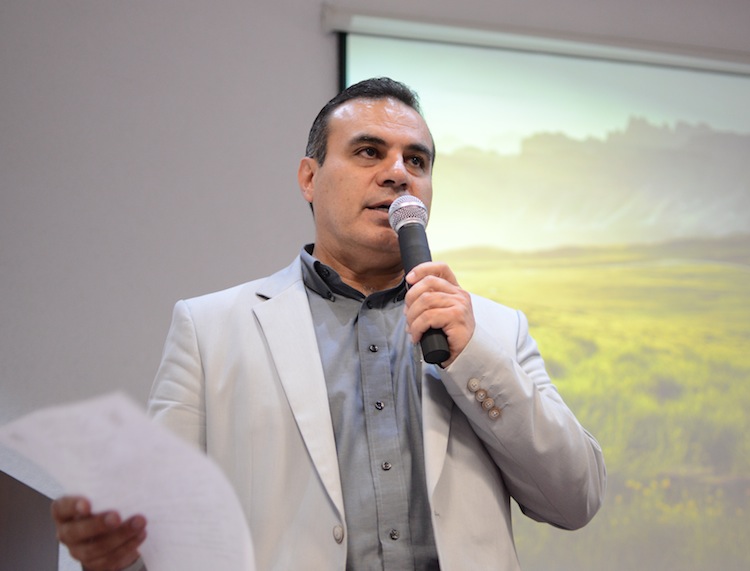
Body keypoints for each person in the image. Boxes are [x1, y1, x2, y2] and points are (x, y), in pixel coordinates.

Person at [52, 77, 606, 571]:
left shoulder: (492, 329)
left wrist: (475, 358)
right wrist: (114, 558)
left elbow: (574, 499)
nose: (398, 174)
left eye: (417, 161)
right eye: (370, 152)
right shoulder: (210, 329)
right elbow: (159, 527)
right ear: (309, 178)